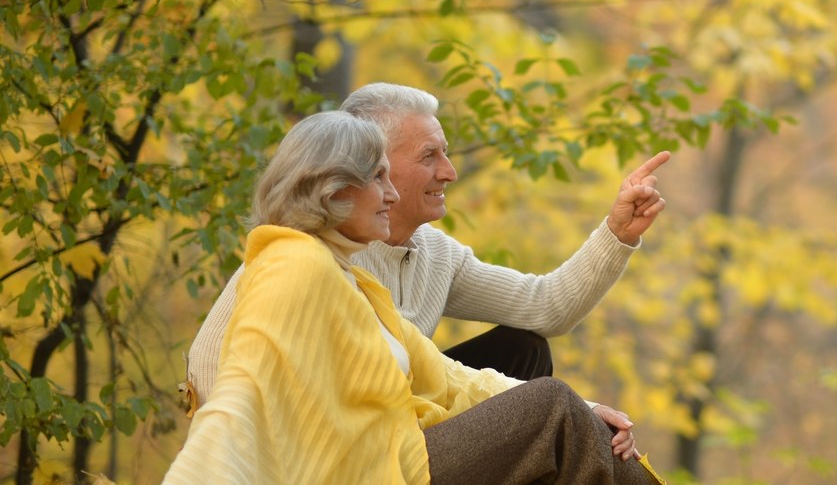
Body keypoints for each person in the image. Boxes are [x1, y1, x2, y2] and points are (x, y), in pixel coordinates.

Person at [164, 111, 663, 484]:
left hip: (395, 436)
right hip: (360, 467)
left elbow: (472, 358)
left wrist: (617, 233)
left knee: (541, 375)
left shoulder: (359, 278)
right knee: (552, 408)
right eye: (426, 156)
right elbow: (234, 387)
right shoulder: (294, 263)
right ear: (336, 188)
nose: (447, 171)